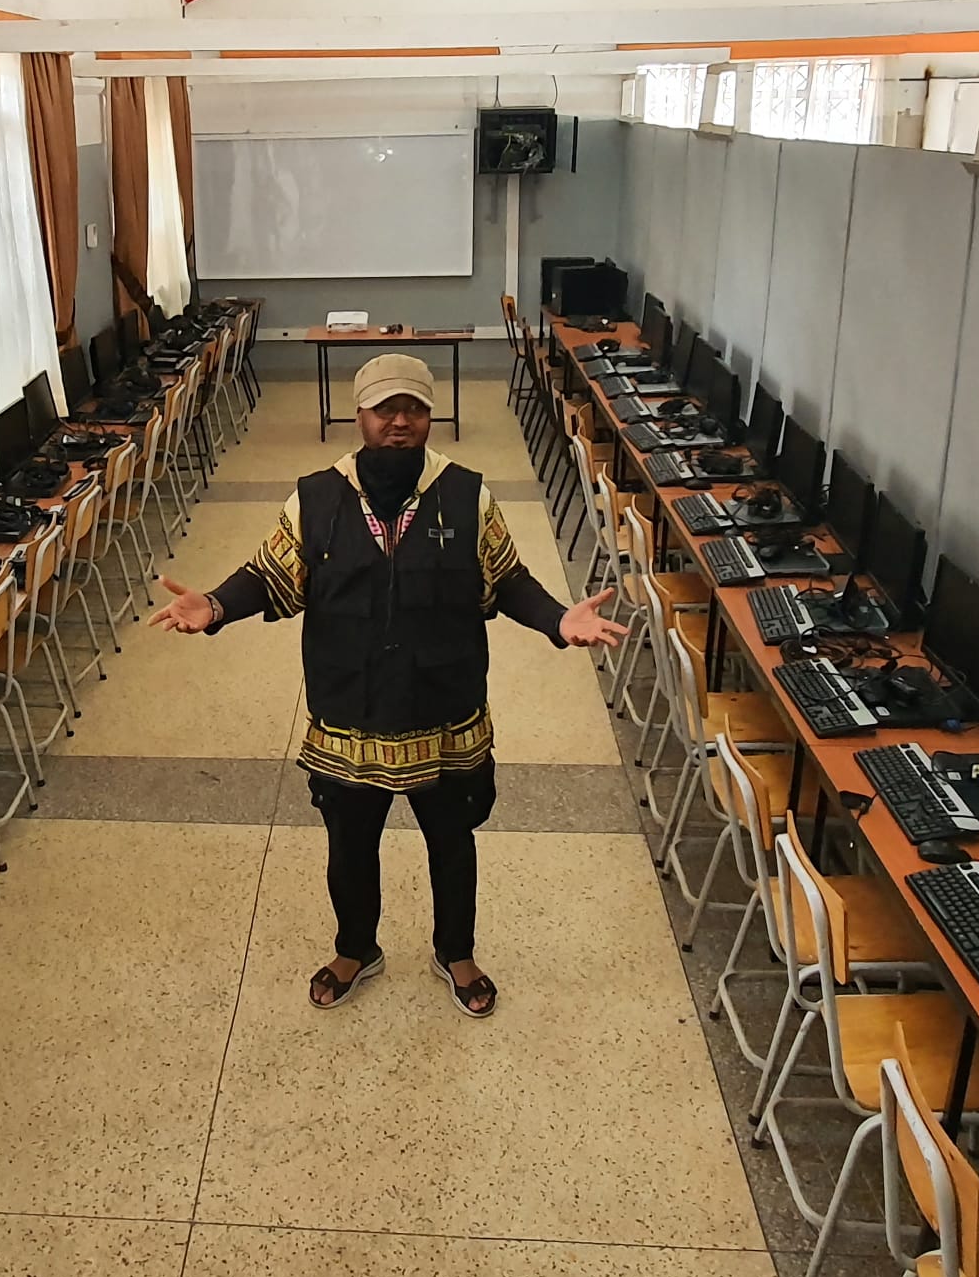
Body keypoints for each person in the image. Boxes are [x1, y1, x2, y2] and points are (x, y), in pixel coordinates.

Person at [150, 353, 625, 1018]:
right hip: (351, 710)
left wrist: (557, 619)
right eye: (384, 409)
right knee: (349, 846)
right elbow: (270, 571)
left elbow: (508, 578)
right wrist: (219, 606)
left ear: (430, 416)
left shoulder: (466, 494)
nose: (399, 422)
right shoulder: (315, 497)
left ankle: (456, 952)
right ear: (361, 415)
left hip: (444, 707)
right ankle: (355, 948)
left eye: (413, 409)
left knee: (452, 843)